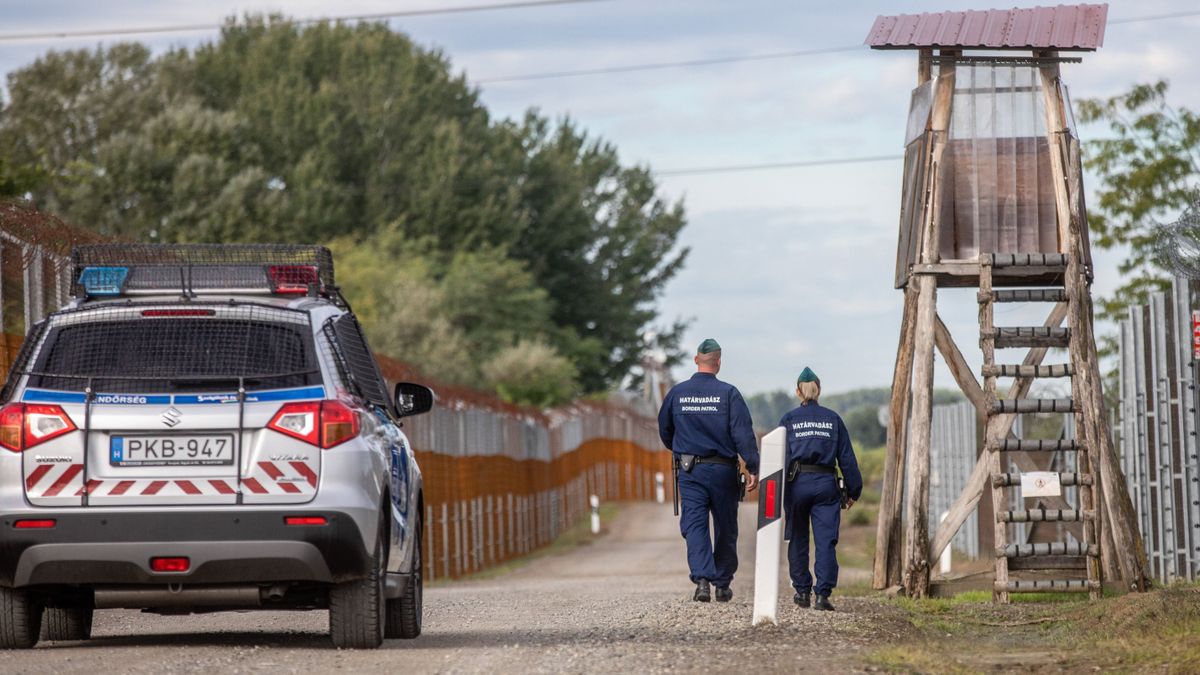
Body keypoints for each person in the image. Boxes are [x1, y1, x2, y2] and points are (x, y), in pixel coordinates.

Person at [658, 338, 759, 603]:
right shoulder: (729, 394)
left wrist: (681, 450)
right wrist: (752, 465)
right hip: (724, 471)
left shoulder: (677, 393)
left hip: (690, 471)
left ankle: (702, 581)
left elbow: (665, 431)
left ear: (695, 360)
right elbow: (743, 434)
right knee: (726, 526)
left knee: (695, 525)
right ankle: (723, 584)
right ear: (718, 363)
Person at [778, 367, 862, 612]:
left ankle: (802, 591)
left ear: (797, 391)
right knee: (825, 541)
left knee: (798, 537)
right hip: (826, 485)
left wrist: (781, 494)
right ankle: (822, 596)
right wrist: (853, 490)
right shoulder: (833, 419)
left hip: (797, 484)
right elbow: (846, 458)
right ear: (819, 390)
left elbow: (781, 458)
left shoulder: (789, 420)